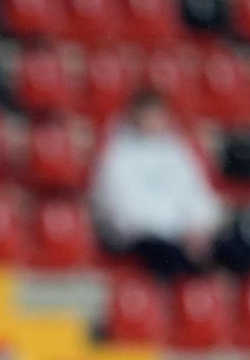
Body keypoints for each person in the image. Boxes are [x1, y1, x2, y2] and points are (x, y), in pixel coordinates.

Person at [90, 90, 224, 279]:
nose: (154, 121)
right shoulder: (117, 156)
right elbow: (123, 212)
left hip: (185, 235)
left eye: (158, 115)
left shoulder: (177, 151)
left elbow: (196, 193)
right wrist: (176, 233)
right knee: (171, 256)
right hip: (146, 238)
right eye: (149, 115)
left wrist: (198, 226)